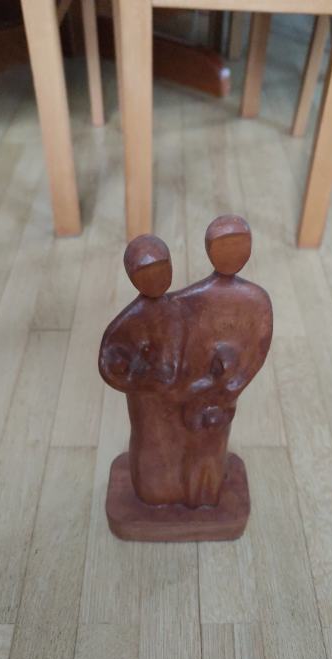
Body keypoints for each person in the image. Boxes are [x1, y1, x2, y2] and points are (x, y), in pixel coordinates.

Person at [99, 216, 273, 508]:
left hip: (210, 398)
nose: (155, 280)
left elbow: (256, 350)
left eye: (236, 246)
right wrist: (140, 374)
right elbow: (112, 357)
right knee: (156, 451)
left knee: (205, 456)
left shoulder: (254, 300)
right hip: (162, 399)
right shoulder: (176, 306)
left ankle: (200, 495)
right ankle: (158, 493)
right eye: (147, 274)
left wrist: (227, 384)